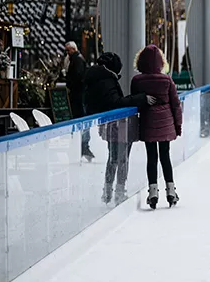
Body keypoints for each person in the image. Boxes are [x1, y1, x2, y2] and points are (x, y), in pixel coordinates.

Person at [84, 52, 156, 204]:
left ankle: (108, 192)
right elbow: (116, 102)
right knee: (121, 159)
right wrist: (140, 98)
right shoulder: (106, 80)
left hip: (112, 126)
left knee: (113, 159)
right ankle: (118, 192)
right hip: (118, 126)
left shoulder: (97, 78)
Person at [131, 45, 182, 209]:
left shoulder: (137, 80)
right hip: (166, 123)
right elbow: (175, 104)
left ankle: (153, 192)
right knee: (165, 157)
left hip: (148, 122)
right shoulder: (166, 80)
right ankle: (171, 191)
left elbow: (134, 102)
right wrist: (178, 125)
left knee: (151, 158)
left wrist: (143, 99)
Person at [64, 41, 94, 160]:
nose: (67, 53)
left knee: (82, 119)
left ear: (73, 49)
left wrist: (70, 84)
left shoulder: (77, 61)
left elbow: (77, 78)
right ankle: (83, 146)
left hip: (78, 95)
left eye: (68, 50)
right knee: (82, 120)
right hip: (80, 95)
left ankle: (83, 146)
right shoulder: (76, 60)